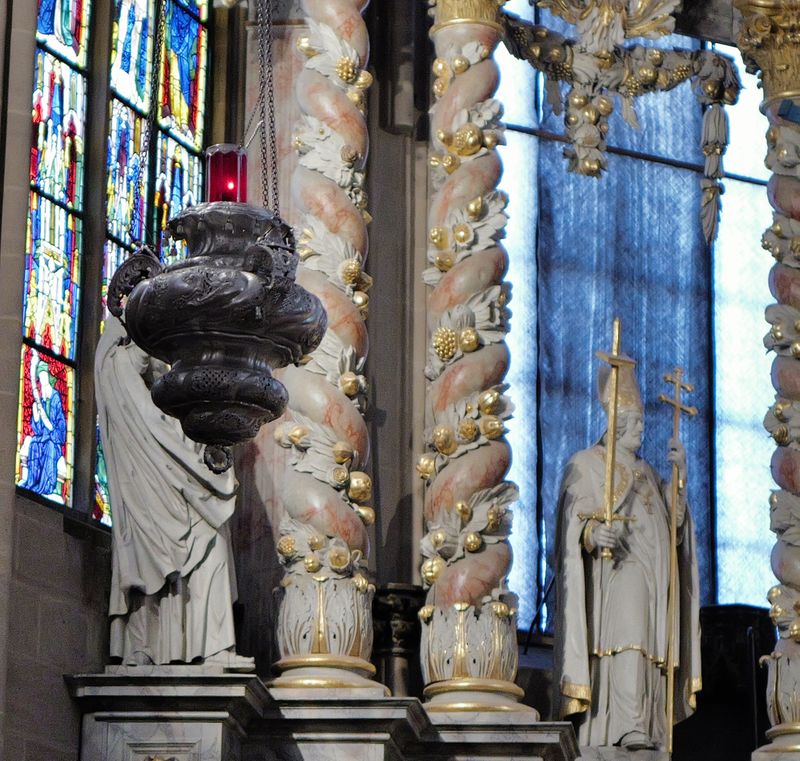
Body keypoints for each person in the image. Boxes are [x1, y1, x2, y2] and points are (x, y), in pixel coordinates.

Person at [553, 360, 701, 751]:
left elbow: (676, 528)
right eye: (635, 424)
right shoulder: (586, 465)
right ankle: (623, 723)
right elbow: (573, 522)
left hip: (656, 577)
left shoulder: (650, 473)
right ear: (616, 426)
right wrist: (590, 533)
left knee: (651, 647)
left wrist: (679, 479)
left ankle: (648, 723)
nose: (642, 431)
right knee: (629, 638)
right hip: (618, 574)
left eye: (642, 424)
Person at [95, 314, 252, 669]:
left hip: (184, 494)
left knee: (214, 551)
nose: (163, 362)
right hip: (145, 494)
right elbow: (154, 428)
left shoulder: (168, 405)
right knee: (146, 569)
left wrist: (207, 456)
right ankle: (145, 648)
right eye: (153, 351)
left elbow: (179, 436)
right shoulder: (119, 371)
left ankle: (212, 648)